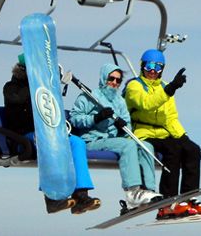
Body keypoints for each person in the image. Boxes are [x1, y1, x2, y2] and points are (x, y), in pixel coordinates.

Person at [3, 54, 101, 215]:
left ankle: (81, 194)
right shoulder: (12, 88)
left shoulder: (44, 90)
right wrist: (38, 83)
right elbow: (18, 100)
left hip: (49, 133)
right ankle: (52, 198)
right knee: (48, 143)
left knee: (77, 143)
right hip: (24, 136)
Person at [123, 49, 201, 219]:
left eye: (158, 67)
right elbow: (146, 104)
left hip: (164, 132)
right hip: (143, 132)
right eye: (149, 66)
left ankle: (188, 197)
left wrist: (183, 137)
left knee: (192, 149)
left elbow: (170, 117)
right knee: (173, 151)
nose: (152, 71)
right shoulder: (134, 86)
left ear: (162, 69)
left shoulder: (165, 87)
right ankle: (167, 202)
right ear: (142, 66)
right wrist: (170, 89)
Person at [68, 63, 162, 209]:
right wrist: (96, 118)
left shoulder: (120, 102)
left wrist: (122, 128)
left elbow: (128, 127)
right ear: (104, 78)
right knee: (128, 145)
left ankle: (148, 189)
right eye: (111, 78)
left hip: (111, 140)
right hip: (92, 140)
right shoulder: (89, 97)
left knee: (146, 145)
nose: (114, 83)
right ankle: (133, 191)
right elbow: (75, 119)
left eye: (118, 81)